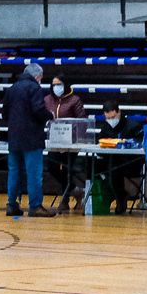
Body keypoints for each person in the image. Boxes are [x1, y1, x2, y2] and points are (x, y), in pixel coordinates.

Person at [1, 61, 54, 218]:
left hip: (14, 137)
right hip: (32, 138)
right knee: (34, 173)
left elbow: (4, 113)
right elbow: (38, 110)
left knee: (14, 171)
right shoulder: (35, 88)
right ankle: (35, 206)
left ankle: (11, 205)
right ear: (37, 76)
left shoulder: (12, 88)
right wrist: (49, 115)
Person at [44, 74, 87, 210]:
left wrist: (76, 137)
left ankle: (65, 199)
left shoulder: (75, 100)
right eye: (54, 84)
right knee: (52, 166)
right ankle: (75, 190)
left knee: (67, 168)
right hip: (55, 141)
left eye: (59, 84)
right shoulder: (47, 100)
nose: (56, 87)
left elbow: (82, 121)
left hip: (71, 143)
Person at [94, 99, 142, 214]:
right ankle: (98, 197)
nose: (111, 121)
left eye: (113, 117)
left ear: (119, 112)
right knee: (91, 165)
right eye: (108, 118)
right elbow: (99, 143)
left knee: (113, 169)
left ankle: (120, 197)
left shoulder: (133, 126)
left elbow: (139, 145)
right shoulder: (106, 126)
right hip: (110, 160)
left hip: (130, 162)